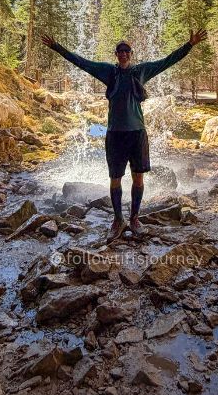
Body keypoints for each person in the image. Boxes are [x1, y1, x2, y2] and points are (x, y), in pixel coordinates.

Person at [39, 28, 208, 242]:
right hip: (115, 134)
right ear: (116, 55)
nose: (123, 54)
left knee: (138, 178)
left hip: (137, 133)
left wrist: (189, 45)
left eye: (127, 51)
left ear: (131, 54)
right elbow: (81, 62)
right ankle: (118, 220)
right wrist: (56, 47)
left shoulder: (141, 72)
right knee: (115, 179)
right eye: (120, 51)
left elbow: (167, 61)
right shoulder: (109, 72)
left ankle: (135, 218)